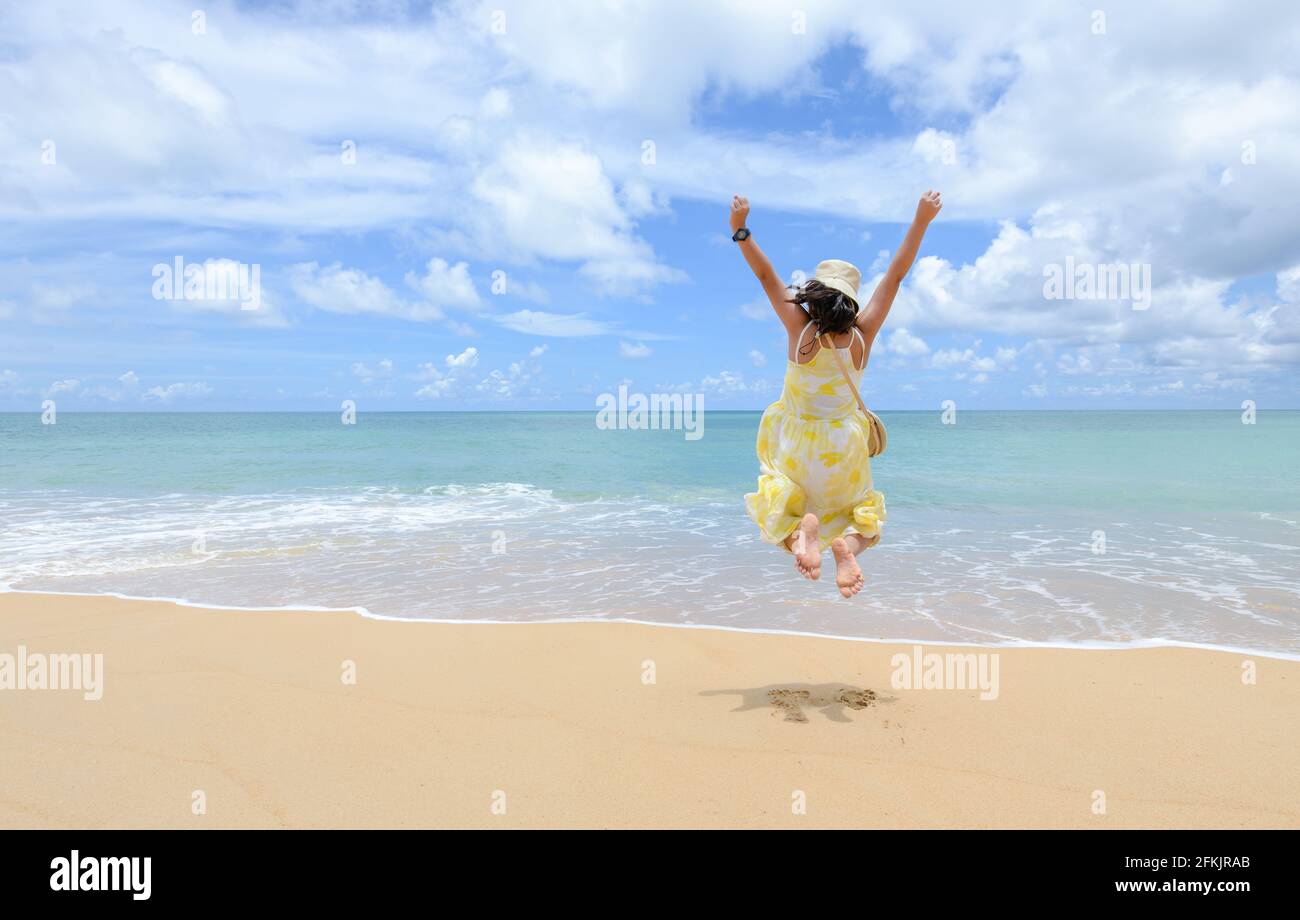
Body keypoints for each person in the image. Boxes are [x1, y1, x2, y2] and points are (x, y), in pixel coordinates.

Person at [732, 190, 942, 596]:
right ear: (851, 302)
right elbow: (896, 275)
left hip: (798, 441)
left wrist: (740, 230)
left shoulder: (800, 330)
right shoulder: (863, 336)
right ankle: (848, 550)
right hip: (844, 444)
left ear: (815, 295)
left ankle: (800, 536)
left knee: (775, 514)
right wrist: (922, 220)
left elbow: (764, 275)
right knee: (862, 518)